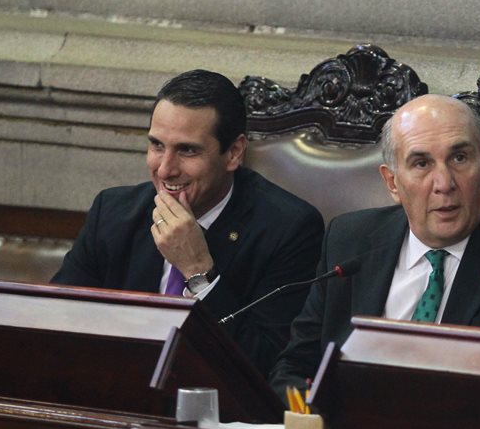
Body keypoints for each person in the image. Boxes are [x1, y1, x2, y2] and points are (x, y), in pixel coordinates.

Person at [270, 93, 480, 392]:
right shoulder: (349, 240)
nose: (444, 184)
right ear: (392, 182)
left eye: (460, 158)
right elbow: (294, 368)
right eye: (421, 164)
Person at [53, 69, 324, 377]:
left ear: (233, 153)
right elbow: (58, 318)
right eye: (157, 146)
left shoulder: (289, 229)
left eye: (187, 150)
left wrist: (198, 273)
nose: (165, 170)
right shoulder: (113, 212)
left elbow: (267, 364)